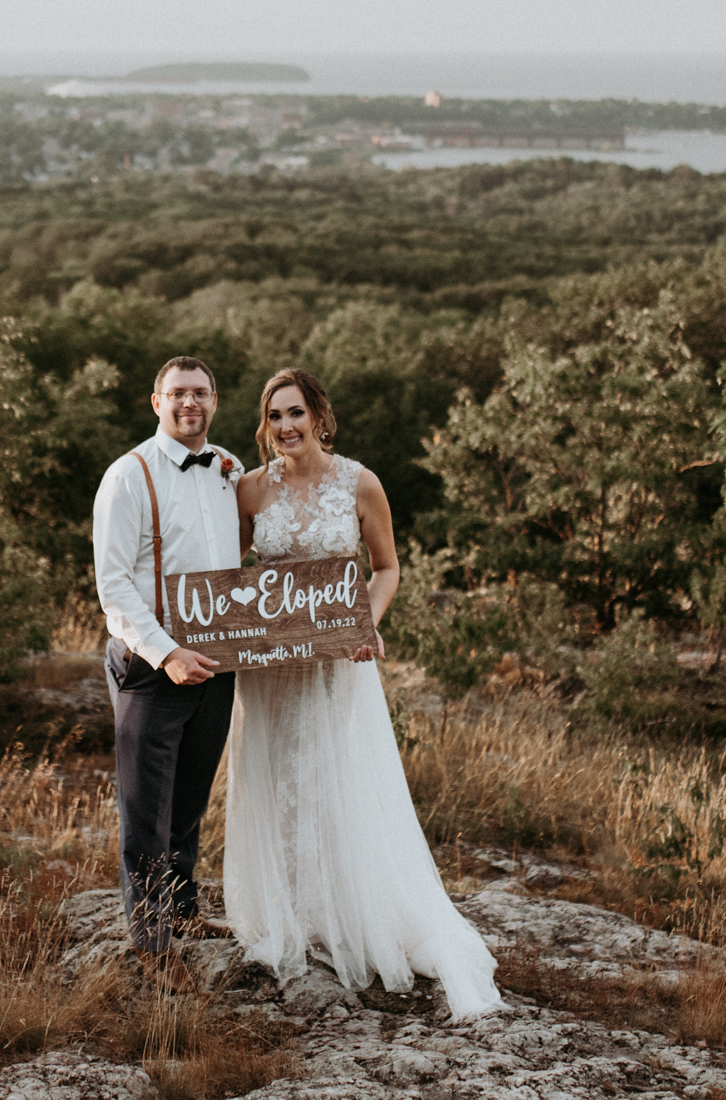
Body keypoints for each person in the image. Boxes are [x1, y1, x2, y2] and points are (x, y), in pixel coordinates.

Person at [225, 367, 506, 1021]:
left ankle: (344, 914)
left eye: (296, 413)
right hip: (268, 668)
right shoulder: (249, 489)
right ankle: (289, 917)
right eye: (274, 415)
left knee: (333, 778)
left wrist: (366, 623)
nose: (285, 426)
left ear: (320, 416)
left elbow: (387, 567)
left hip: (335, 663)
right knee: (277, 781)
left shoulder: (359, 482)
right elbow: (226, 571)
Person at [92, 355, 244, 994]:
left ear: (215, 400)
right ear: (155, 401)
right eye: (178, 393)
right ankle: (150, 941)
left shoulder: (227, 470)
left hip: (217, 660)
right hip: (153, 665)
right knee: (145, 806)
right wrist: (167, 653)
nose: (190, 404)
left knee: (190, 794)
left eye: (201, 393)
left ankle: (182, 908)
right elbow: (113, 586)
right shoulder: (128, 477)